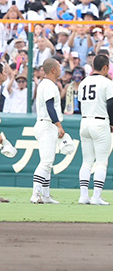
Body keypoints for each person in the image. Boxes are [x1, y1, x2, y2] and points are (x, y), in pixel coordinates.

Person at [76, 54, 113, 205]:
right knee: (101, 162)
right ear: (105, 67)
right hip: (100, 122)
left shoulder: (84, 82)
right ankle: (96, 197)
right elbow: (111, 104)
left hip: (85, 121)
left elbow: (79, 104)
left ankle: (83, 196)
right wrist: (112, 122)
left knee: (86, 162)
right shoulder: (107, 82)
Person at [31, 59, 65, 204]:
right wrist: (58, 125)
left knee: (48, 162)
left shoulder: (46, 84)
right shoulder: (49, 85)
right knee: (46, 161)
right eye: (59, 67)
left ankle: (45, 195)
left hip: (46, 124)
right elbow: (50, 107)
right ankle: (36, 194)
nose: (61, 70)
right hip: (46, 124)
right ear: (53, 70)